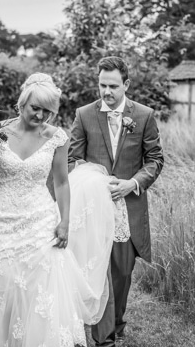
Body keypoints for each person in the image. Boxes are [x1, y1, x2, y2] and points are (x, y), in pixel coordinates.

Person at [0, 73, 118, 347]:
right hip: (2, 221)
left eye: (48, 111)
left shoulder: (57, 138)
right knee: (7, 286)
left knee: (42, 288)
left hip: (41, 220)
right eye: (36, 108)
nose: (41, 116)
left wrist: (65, 222)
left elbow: (61, 183)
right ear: (22, 103)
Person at [68, 56, 164, 347]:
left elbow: (155, 159)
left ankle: (117, 322)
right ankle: (104, 338)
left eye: (113, 86)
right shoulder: (84, 114)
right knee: (100, 273)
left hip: (127, 209)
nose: (106, 91)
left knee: (122, 275)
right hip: (93, 209)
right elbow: (73, 158)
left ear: (127, 84)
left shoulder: (144, 115)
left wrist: (132, 183)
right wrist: (93, 180)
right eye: (102, 85)